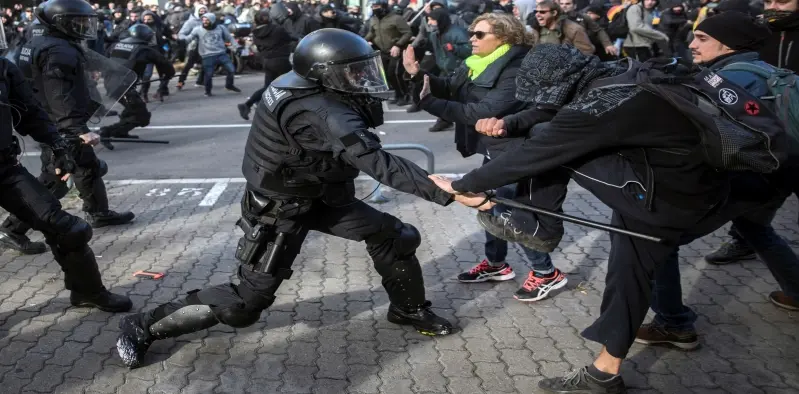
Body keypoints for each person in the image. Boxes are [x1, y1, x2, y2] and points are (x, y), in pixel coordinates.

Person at [427, 41, 792, 392]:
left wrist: (467, 185)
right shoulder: (625, 73)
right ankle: (633, 352)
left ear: (561, 87)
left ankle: (539, 227)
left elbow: (537, 151)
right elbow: (549, 111)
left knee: (544, 147)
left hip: (666, 203)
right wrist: (512, 122)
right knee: (628, 272)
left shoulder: (593, 110)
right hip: (711, 182)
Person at [116, 28, 483, 369]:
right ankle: (143, 325)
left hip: (322, 194)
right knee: (245, 305)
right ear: (324, 73)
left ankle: (408, 309)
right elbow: (374, 160)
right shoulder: (323, 110)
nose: (360, 80)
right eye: (351, 73)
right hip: (281, 208)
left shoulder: (300, 83)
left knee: (395, 237)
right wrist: (445, 190)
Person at [0, 25, 131, 313]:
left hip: (4, 169)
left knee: (68, 229)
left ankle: (87, 292)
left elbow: (31, 114)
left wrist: (59, 146)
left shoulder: (3, 69)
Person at [98, 24, 175, 150]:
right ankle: (107, 131)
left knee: (132, 108)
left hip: (111, 84)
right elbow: (165, 64)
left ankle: (121, 132)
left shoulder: (115, 45)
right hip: (124, 87)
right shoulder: (144, 50)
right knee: (142, 116)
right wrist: (169, 75)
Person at [236, 8, 293, 120]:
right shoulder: (277, 29)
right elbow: (289, 38)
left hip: (267, 61)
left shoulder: (255, 33)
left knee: (268, 87)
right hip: (280, 61)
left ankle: (248, 104)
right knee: (292, 84)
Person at [184, 12, 240, 96]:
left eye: (207, 20)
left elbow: (229, 38)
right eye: (203, 20)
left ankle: (229, 85)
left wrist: (236, 46)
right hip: (207, 56)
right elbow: (189, 38)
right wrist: (181, 40)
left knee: (231, 70)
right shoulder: (197, 29)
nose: (205, 22)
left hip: (221, 54)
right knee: (209, 75)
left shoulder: (221, 28)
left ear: (213, 20)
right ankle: (208, 91)